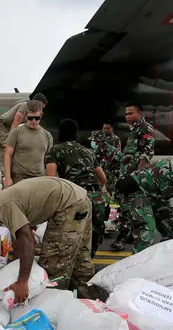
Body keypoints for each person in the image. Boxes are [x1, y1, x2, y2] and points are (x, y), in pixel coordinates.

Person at [0, 177, 101, 301]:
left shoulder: (4, 205)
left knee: (53, 266)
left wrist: (22, 282)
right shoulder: (4, 197)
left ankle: (53, 309)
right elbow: (22, 240)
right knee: (80, 261)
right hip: (79, 198)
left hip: (68, 205)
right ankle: (90, 305)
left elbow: (27, 240)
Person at [46, 119, 109, 258]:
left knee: (73, 234)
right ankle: (88, 263)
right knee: (94, 233)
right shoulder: (88, 151)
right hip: (97, 196)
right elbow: (103, 178)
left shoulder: (55, 150)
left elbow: (51, 179)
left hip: (76, 196)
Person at [111, 102, 155, 251]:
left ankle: (123, 234)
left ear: (140, 114)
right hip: (127, 172)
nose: (127, 116)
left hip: (134, 176)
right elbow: (133, 151)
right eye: (126, 114)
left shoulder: (144, 128)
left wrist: (137, 175)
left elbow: (147, 153)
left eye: (131, 113)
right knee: (124, 202)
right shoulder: (134, 129)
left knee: (127, 203)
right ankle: (129, 232)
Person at [3, 100, 53, 187]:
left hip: (38, 179)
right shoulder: (16, 132)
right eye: (30, 118)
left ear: (41, 115)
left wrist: (50, 182)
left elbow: (49, 160)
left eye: (37, 118)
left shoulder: (47, 135)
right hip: (19, 178)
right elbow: (7, 154)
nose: (33, 121)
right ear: (26, 115)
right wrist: (7, 178)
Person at [0, 93, 48, 160]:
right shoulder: (25, 106)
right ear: (35, 102)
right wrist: (12, 140)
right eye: (41, 106)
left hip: (9, 127)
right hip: (3, 126)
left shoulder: (33, 112)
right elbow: (15, 124)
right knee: (7, 148)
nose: (41, 109)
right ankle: (5, 169)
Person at [90, 119, 122, 193]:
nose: (105, 130)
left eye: (108, 128)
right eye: (104, 128)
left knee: (110, 188)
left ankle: (112, 202)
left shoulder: (115, 139)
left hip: (111, 168)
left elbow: (117, 154)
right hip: (101, 166)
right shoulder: (100, 138)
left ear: (111, 129)